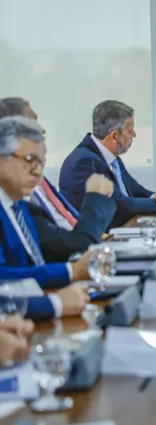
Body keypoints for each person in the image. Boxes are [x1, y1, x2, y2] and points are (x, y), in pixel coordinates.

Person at [0, 116, 93, 320]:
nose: (37, 172)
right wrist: (56, 300)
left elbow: (32, 269)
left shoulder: (21, 208)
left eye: (41, 163)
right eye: (30, 160)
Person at [0, 97, 117, 258]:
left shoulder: (24, 202)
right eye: (29, 126)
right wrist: (70, 273)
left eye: (40, 162)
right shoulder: (19, 200)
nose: (41, 131)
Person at [59, 100, 156, 227]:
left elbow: (137, 190)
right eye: (130, 131)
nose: (134, 135)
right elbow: (121, 205)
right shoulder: (85, 162)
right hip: (102, 240)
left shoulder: (110, 156)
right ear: (114, 136)